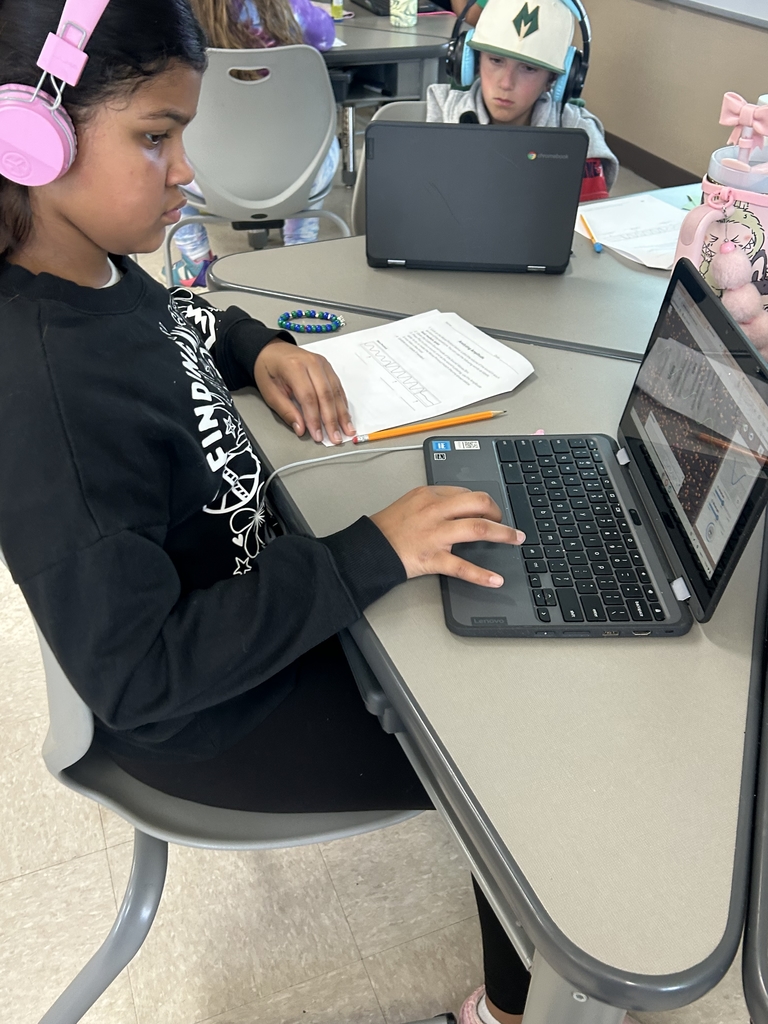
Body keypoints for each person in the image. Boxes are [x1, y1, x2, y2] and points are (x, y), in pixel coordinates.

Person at [0, 2, 545, 1023]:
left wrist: (258, 346)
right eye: (156, 138)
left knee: (485, 613)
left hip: (258, 615)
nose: (188, 172)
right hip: (210, 720)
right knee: (510, 742)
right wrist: (364, 555)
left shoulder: (93, 266)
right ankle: (507, 1014)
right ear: (27, 136)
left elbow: (179, 320)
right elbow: (142, 676)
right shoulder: (42, 396)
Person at [171, 0, 341, 286]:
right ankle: (300, 251)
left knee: (163, 158)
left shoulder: (177, 17)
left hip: (205, 178)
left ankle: (196, 262)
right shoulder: (292, 10)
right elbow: (326, 35)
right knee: (312, 147)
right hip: (299, 176)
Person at [429, 0, 618, 199]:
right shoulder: (443, 114)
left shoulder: (579, 136)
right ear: (472, 62)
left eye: (528, 68)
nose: (506, 83)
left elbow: (590, 218)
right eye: (496, 60)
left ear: (553, 79)